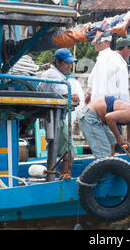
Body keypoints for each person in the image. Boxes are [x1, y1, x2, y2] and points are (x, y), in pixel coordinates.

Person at [78, 96, 130, 168]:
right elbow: (109, 117)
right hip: (89, 116)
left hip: (98, 119)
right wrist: (118, 136)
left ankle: (109, 168)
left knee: (112, 143)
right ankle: (104, 173)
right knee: (104, 154)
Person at [37, 48, 79, 177]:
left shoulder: (53, 74)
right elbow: (68, 95)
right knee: (69, 150)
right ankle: (64, 176)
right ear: (57, 62)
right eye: (67, 63)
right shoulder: (53, 75)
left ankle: (60, 174)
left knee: (61, 149)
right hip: (55, 118)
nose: (69, 66)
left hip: (55, 117)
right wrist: (73, 96)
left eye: (70, 63)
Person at [85, 33, 114, 104]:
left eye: (98, 42)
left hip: (102, 99)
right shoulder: (102, 56)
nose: (96, 44)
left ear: (108, 42)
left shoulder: (107, 57)